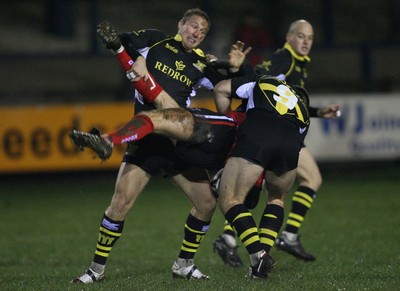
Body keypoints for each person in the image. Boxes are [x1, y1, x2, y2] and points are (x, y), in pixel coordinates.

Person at [71, 10, 253, 283]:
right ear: (180, 24)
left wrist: (238, 67)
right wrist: (138, 58)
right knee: (120, 204)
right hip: (145, 140)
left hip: (177, 143)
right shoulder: (155, 41)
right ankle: (96, 270)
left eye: (203, 32)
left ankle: (184, 264)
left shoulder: (202, 63)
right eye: (194, 26)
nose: (197, 33)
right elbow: (118, 41)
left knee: (206, 203)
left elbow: (240, 87)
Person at [213, 19, 341, 265]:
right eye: (301, 36)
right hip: (275, 127)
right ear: (289, 37)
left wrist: (318, 112)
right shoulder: (285, 58)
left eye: (310, 38)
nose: (306, 41)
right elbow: (262, 79)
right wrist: (239, 69)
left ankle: (231, 239)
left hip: (281, 126)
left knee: (254, 187)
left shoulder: (298, 64)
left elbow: (286, 100)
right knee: (306, 180)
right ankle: (287, 236)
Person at [214, 75, 311, 279]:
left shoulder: (263, 81)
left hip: (259, 131)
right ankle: (260, 267)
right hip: (290, 144)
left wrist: (226, 126)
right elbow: (298, 140)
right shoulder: (304, 114)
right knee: (276, 199)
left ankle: (258, 255)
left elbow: (221, 88)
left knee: (230, 199)